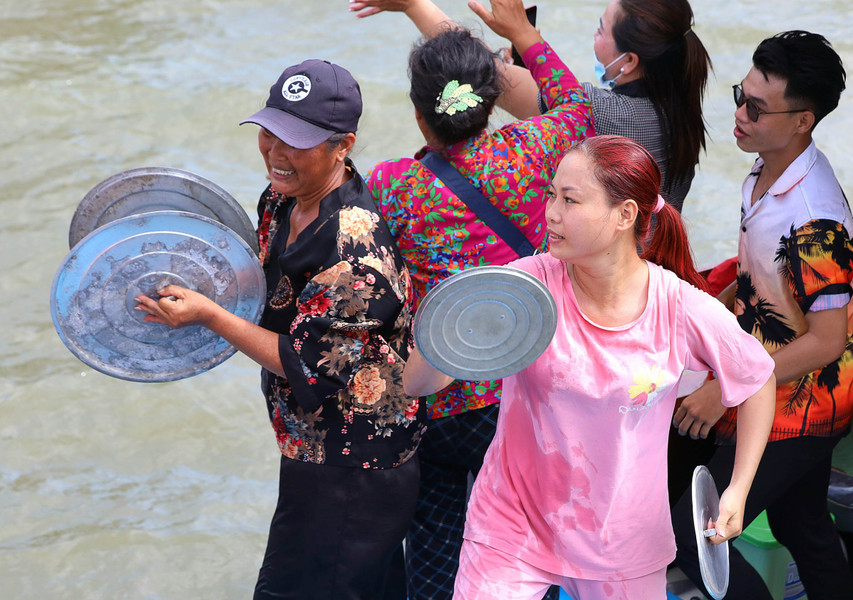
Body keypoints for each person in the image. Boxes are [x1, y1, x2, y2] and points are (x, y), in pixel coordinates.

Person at [403, 134, 777, 599]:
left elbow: (757, 380)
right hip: (512, 523)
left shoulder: (678, 307)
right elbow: (418, 384)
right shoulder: (524, 290)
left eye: (571, 200)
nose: (552, 213)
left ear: (625, 215)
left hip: (623, 538)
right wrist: (448, 326)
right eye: (552, 195)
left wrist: (738, 490)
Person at [135, 59, 425, 600]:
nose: (276, 152)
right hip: (311, 443)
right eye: (270, 132)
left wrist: (208, 314)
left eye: (297, 141)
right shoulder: (280, 199)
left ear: (344, 146)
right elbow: (263, 291)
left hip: (354, 464)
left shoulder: (356, 255)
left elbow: (305, 361)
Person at [357, 1, 592, 598]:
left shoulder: (393, 184)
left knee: (435, 539)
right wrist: (522, 34)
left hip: (440, 396)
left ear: (417, 112)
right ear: (489, 101)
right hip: (525, 386)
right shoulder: (537, 150)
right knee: (524, 538)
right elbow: (576, 106)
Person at [671, 31, 853, 600]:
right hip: (775, 380)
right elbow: (763, 274)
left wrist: (724, 388)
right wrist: (718, 301)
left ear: (803, 120)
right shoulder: (766, 168)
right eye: (740, 95)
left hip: (806, 404)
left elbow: (827, 341)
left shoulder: (815, 221)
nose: (739, 115)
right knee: (799, 525)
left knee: (693, 535)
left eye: (756, 108)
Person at [350, 0, 711, 212]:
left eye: (601, 30)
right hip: (655, 272)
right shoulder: (679, 105)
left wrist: (415, 5)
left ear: (629, 61)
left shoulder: (599, 112)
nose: (594, 35)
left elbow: (476, 70)